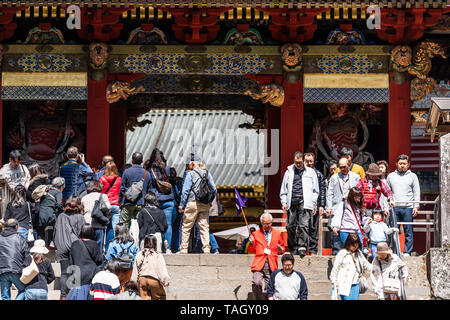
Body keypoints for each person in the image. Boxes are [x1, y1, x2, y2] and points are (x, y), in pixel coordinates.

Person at [279, 151, 319, 257]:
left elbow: (316, 190)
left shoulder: (311, 172)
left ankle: (302, 246)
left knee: (304, 225)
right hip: (291, 200)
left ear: (303, 161)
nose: (298, 165)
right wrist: (284, 201)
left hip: (304, 200)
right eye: (296, 162)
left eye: (300, 162)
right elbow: (284, 188)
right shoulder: (289, 171)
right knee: (290, 226)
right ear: (293, 161)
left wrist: (313, 202)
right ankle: (293, 247)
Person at [178, 157, 217, 254]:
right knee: (204, 227)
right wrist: (209, 200)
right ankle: (206, 248)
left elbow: (185, 190)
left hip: (192, 202)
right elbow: (214, 189)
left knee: (186, 226)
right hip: (204, 204)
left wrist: (182, 204)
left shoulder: (190, 174)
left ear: (192, 163)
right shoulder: (207, 173)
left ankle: (184, 248)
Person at [386, 154, 421, 256]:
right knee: (392, 230)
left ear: (408, 165)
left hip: (408, 207)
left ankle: (407, 251)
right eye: (400, 163)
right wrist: (387, 207)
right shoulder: (391, 176)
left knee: (408, 230)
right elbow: (387, 192)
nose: (402, 165)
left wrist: (416, 206)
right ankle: (392, 251)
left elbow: (416, 192)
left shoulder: (413, 176)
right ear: (396, 164)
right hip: (394, 207)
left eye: (404, 164)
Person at [326, 158, 360, 254]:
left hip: (351, 205)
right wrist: (329, 207)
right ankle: (336, 250)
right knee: (335, 227)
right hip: (338, 205)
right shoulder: (334, 177)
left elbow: (359, 192)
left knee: (352, 227)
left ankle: (352, 249)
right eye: (340, 167)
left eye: (344, 167)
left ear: (349, 165)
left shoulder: (356, 177)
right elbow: (330, 193)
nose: (342, 169)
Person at [248, 213, 286, 300]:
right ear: (261, 223)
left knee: (270, 288)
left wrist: (280, 249)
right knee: (256, 282)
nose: (268, 225)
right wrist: (251, 243)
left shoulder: (277, 233)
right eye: (265, 223)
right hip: (259, 263)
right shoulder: (255, 234)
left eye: (269, 223)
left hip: (271, 263)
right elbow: (250, 250)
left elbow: (282, 249)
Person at [54, 196, 85, 299]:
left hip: (62, 246)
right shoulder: (80, 217)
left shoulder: (61, 216)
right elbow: (81, 232)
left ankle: (63, 296)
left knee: (63, 272)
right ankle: (74, 295)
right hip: (75, 245)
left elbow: (55, 231)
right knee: (74, 270)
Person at [147, 149, 178, 254]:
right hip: (168, 200)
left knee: (155, 225)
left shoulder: (150, 170)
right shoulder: (168, 169)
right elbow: (173, 182)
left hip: (156, 201)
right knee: (168, 225)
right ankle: (168, 248)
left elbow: (149, 186)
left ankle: (156, 248)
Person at [330, 233, 372, 300]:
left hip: (356, 284)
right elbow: (336, 267)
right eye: (353, 245)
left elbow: (366, 264)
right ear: (348, 244)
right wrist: (334, 280)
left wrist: (375, 268)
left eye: (357, 245)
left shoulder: (359, 253)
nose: (355, 247)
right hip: (344, 283)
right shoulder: (342, 253)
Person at [67, 224, 104, 300]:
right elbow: (98, 260)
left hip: (77, 276)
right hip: (90, 275)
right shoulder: (94, 244)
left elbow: (71, 263)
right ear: (91, 232)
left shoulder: (74, 244)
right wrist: (103, 256)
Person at [0, 219, 32, 300]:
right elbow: (27, 256)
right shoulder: (20, 239)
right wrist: (24, 267)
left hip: (2, 270)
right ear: (16, 227)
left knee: (5, 296)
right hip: (16, 269)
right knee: (24, 290)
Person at [131, 234, 170, 300]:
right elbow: (162, 270)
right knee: (160, 297)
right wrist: (165, 281)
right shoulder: (158, 255)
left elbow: (135, 270)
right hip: (154, 280)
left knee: (144, 298)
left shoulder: (140, 254)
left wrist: (133, 283)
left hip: (142, 279)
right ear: (155, 243)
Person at [303, 152, 327, 256]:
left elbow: (322, 191)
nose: (309, 163)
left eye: (311, 161)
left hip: (314, 206)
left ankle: (313, 251)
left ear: (314, 161)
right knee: (302, 227)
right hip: (302, 205)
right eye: (306, 161)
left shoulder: (319, 174)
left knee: (314, 228)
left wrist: (321, 205)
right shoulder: (299, 173)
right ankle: (302, 249)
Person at [119, 152, 151, 225]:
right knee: (141, 224)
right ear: (142, 161)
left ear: (132, 161)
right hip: (141, 203)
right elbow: (149, 189)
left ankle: (124, 236)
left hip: (128, 202)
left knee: (124, 224)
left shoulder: (127, 172)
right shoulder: (147, 173)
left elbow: (122, 188)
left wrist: (120, 202)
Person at [105, 223, 139, 291]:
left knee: (116, 288)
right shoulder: (133, 243)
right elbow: (136, 258)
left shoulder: (113, 243)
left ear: (116, 231)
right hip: (129, 270)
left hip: (117, 270)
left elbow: (108, 258)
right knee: (126, 288)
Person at [81, 180, 112, 254]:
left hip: (87, 225)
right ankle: (99, 264)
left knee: (88, 245)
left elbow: (82, 211)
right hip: (99, 224)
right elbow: (108, 207)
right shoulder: (103, 196)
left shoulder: (84, 198)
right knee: (99, 245)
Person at [99, 161, 122, 252]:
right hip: (116, 205)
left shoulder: (102, 179)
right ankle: (113, 248)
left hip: (105, 205)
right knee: (115, 227)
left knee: (104, 227)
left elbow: (100, 192)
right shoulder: (119, 179)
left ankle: (104, 248)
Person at [36, 177, 65, 247]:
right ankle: (52, 243)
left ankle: (40, 247)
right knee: (56, 226)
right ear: (61, 186)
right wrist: (63, 211)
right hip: (50, 214)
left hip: (41, 214)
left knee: (41, 233)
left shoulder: (46, 191)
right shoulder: (58, 192)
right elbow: (59, 204)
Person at [26, 163, 50, 240]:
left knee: (37, 229)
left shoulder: (36, 182)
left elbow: (33, 196)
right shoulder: (44, 180)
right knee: (41, 229)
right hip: (42, 207)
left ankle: (38, 246)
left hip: (36, 208)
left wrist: (26, 191)